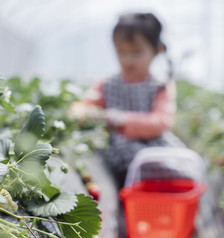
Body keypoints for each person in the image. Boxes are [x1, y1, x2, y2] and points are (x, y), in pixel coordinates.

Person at [70, 12, 185, 189]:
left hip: (154, 151)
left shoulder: (160, 86)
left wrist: (123, 119)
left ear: (157, 50)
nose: (128, 60)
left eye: (137, 52)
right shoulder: (106, 84)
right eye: (121, 52)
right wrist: (86, 112)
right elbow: (81, 106)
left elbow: (162, 121)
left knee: (178, 173)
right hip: (119, 157)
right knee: (126, 183)